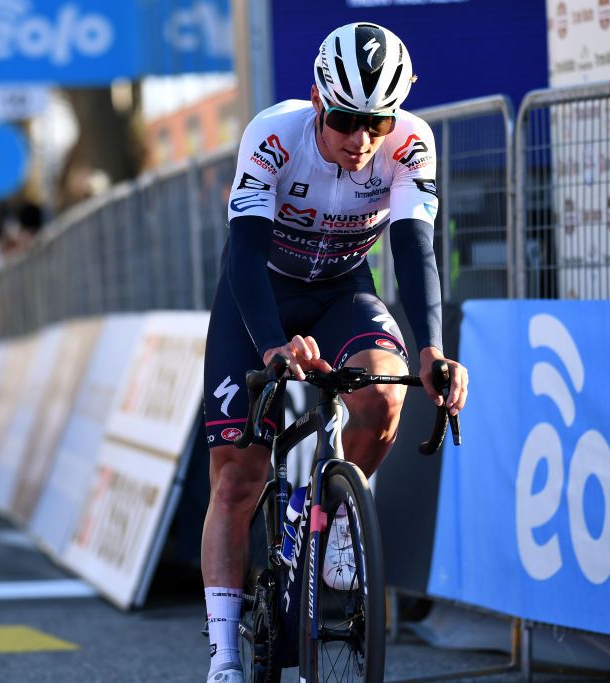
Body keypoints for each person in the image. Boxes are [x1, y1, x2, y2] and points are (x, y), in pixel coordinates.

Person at [200, 23, 469, 682]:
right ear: (319, 101)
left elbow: (413, 249)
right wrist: (271, 345)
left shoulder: (410, 144)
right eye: (347, 119)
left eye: (377, 120)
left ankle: (331, 511)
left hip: (344, 289)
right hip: (261, 295)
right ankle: (226, 655)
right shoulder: (273, 134)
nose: (362, 140)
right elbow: (243, 253)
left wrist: (432, 348)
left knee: (385, 389)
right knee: (236, 477)